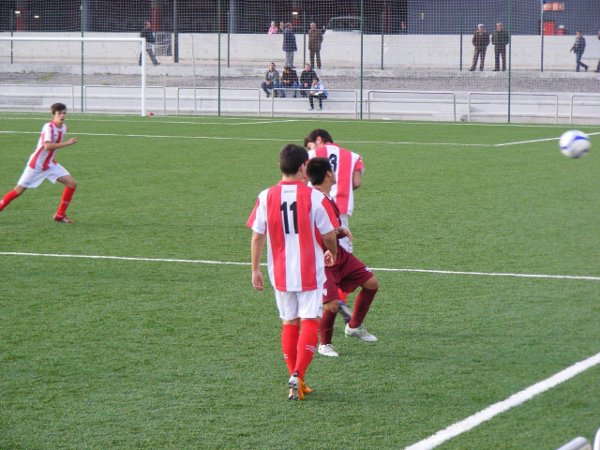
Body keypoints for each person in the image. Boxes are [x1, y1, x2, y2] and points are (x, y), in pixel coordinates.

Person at [247, 144, 338, 401]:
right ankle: (298, 374)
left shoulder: (266, 196)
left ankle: (294, 380)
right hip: (309, 269)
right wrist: (332, 251)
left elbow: (257, 236)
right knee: (309, 320)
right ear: (302, 168)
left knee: (289, 322)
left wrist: (255, 269)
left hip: (280, 271)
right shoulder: (314, 197)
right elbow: (328, 234)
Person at [306, 157, 379, 357]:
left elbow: (325, 228)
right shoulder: (317, 198)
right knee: (331, 304)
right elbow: (323, 232)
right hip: (324, 258)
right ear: (328, 174)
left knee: (371, 283)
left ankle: (354, 326)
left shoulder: (325, 196)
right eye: (333, 170)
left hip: (337, 253)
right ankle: (325, 344)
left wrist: (339, 232)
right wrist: (336, 235)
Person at [0, 103, 78, 223]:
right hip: (36, 165)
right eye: (59, 113)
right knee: (18, 191)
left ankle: (60, 215)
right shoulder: (48, 127)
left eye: (64, 113)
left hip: (50, 164)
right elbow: (47, 146)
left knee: (72, 184)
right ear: (53, 115)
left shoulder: (63, 128)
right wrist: (67, 143)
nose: (62, 115)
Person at [304, 128, 364, 254]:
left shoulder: (311, 155)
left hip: (314, 204)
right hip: (341, 205)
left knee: (314, 242)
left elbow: (303, 179)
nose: (310, 150)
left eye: (310, 146)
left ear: (318, 139)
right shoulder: (353, 156)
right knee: (343, 245)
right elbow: (357, 182)